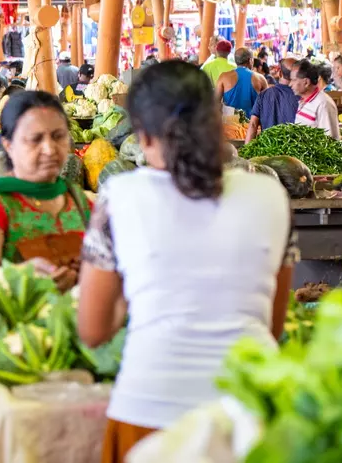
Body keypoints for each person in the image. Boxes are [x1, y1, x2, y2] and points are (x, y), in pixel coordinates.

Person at [77, 60, 294, 460]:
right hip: (252, 416)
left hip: (148, 413)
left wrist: (136, 293)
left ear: (142, 134)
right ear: (215, 118)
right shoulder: (271, 194)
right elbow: (273, 324)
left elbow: (92, 330)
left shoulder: (119, 198)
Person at [0, 91, 90, 294]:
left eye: (58, 136)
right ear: (9, 145)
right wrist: (22, 276)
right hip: (18, 323)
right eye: (35, 139)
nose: (49, 149)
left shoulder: (80, 201)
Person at [246, 58, 300, 142]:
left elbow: (253, 125)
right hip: (294, 150)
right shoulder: (302, 98)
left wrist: (246, 151)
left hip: (267, 149)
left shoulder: (264, 95)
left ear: (280, 73)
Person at [290, 59, 340, 139]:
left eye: (294, 80)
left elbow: (330, 140)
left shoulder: (323, 103)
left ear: (306, 82)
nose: (290, 84)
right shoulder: (303, 101)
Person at [216, 47, 266, 115]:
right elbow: (267, 104)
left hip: (229, 123)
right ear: (250, 60)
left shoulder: (223, 77)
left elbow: (215, 102)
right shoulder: (260, 79)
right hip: (252, 124)